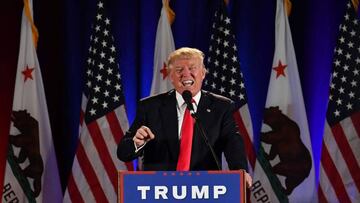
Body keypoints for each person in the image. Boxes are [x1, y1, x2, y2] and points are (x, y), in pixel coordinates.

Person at [117, 47, 252, 187]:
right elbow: (123, 153)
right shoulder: (151, 107)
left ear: (203, 73)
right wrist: (136, 143)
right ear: (171, 76)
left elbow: (232, 143)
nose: (186, 74)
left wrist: (240, 172)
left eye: (192, 68)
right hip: (160, 189)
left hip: (205, 190)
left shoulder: (221, 107)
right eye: (179, 70)